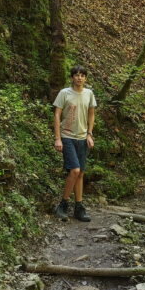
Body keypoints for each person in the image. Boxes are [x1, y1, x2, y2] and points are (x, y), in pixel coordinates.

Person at [52, 64, 97, 221]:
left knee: (81, 173)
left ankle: (79, 207)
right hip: (67, 136)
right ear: (72, 77)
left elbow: (91, 114)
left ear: (85, 78)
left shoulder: (89, 94)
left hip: (83, 137)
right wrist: (58, 138)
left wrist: (90, 134)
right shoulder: (64, 93)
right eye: (76, 75)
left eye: (82, 75)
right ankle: (63, 204)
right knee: (75, 171)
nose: (79, 78)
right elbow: (57, 115)